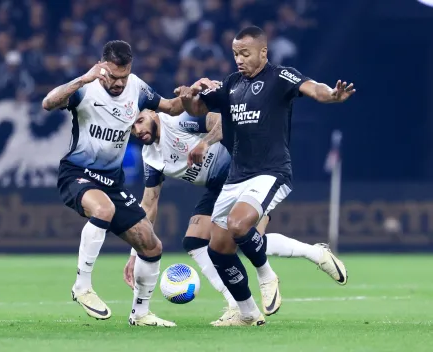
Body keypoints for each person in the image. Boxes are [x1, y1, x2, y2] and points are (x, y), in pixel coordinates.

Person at [174, 26, 354, 326]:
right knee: (219, 250)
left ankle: (266, 275)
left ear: (263, 52)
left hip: (271, 172)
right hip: (236, 176)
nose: (239, 60)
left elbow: (314, 88)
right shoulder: (231, 84)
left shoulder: (280, 77)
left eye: (245, 53)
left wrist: (331, 95)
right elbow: (196, 107)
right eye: (235, 54)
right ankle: (247, 314)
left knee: (239, 225)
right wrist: (188, 96)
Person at [123, 109, 350, 326]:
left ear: (152, 113)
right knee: (196, 241)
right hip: (217, 186)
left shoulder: (178, 120)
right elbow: (149, 204)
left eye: (140, 120)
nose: (137, 129)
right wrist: (137, 251)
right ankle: (236, 304)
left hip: (241, 171)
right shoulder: (151, 157)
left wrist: (205, 143)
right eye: (131, 127)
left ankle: (315, 254)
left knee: (244, 239)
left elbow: (221, 122)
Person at [42, 40, 184, 327]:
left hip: (112, 182)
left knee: (151, 245)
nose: (119, 83)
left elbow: (170, 107)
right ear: (102, 65)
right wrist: (83, 77)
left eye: (125, 75)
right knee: (103, 210)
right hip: (77, 173)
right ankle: (82, 285)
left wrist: (193, 93)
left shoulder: (137, 87)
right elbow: (48, 102)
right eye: (114, 76)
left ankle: (141, 314)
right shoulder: (86, 87)